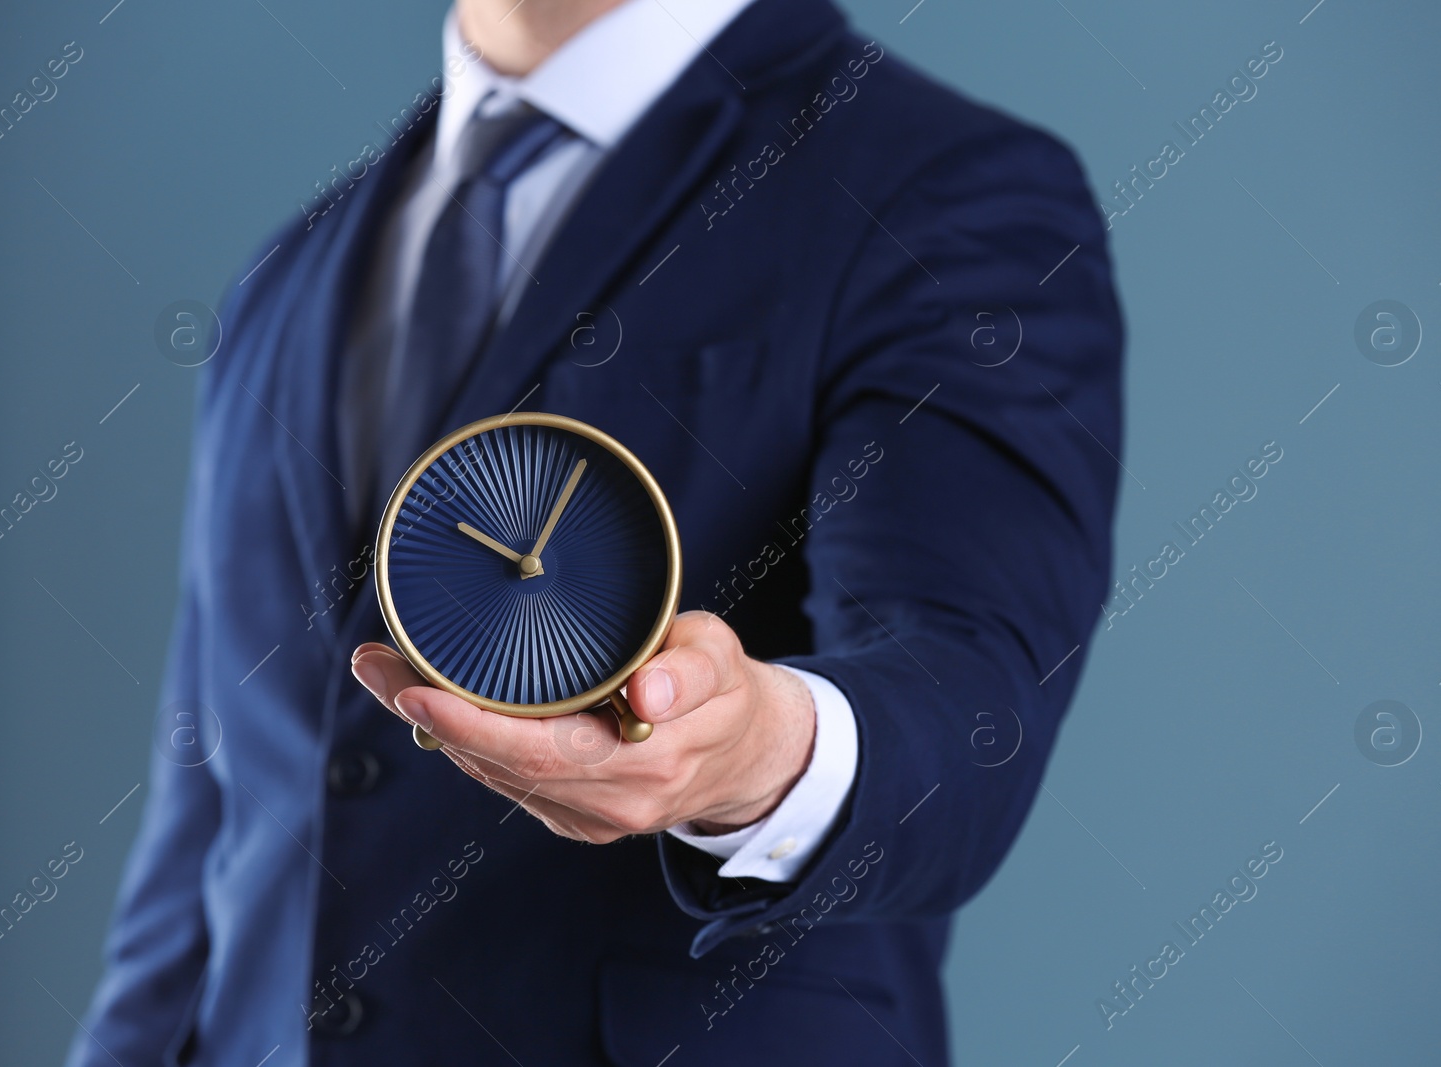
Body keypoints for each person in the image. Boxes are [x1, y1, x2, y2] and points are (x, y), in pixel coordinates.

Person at [68, 0, 1122, 1062]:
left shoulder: (940, 185)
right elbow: (206, 818)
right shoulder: (285, 278)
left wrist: (755, 753)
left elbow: (971, 697)